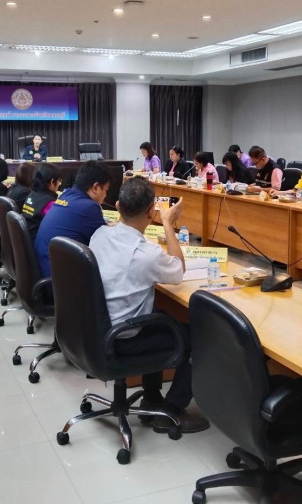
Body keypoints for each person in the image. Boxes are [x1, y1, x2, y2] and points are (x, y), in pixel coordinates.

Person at [89, 177, 209, 433]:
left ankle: (152, 398)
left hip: (96, 329)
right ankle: (171, 410)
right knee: (202, 339)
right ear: (151, 212)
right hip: (122, 338)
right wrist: (168, 223)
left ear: (118, 206)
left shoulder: (100, 234)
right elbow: (177, 270)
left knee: (160, 315)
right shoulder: (145, 255)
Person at [34, 161, 110, 277]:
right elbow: (105, 245)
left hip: (45, 268)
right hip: (61, 279)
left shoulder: (65, 195)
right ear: (96, 187)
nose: (106, 195)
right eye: (106, 190)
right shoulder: (89, 207)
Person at [21, 163, 62, 240]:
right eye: (59, 180)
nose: (60, 184)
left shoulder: (31, 194)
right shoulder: (48, 203)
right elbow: (60, 223)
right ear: (52, 182)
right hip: (39, 241)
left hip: (28, 238)